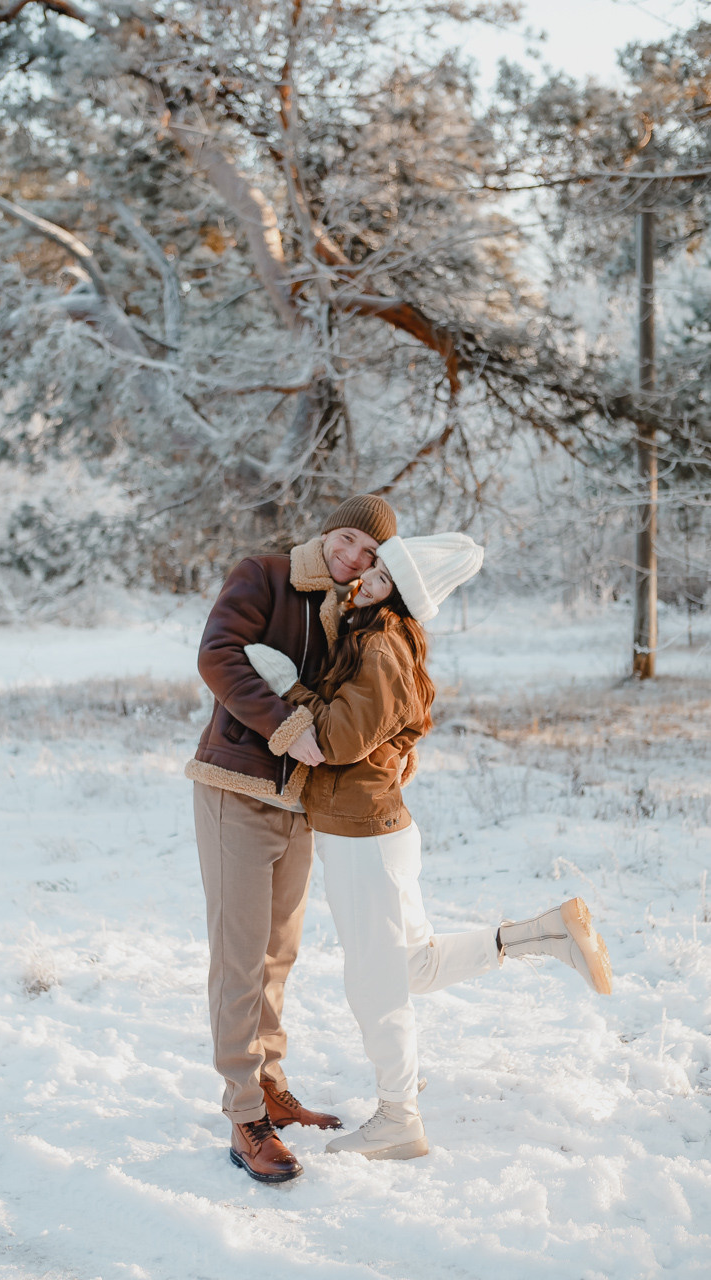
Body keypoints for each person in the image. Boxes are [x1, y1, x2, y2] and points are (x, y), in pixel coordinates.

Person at [245, 532, 613, 1163]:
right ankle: (544, 935)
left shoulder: (382, 646)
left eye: (382, 578)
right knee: (412, 966)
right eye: (372, 570)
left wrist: (291, 692)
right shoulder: (372, 637)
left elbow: (336, 740)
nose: (364, 580)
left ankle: (398, 1118)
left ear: (403, 598)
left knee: (375, 984)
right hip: (369, 832)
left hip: (364, 836)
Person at [186, 494, 399, 1184]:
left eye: (367, 555)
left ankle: (271, 1088)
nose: (351, 559)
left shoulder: (354, 612)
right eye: (345, 541)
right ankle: (242, 1114)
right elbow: (218, 656)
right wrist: (282, 726)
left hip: (302, 803)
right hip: (238, 788)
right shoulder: (265, 575)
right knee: (240, 956)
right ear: (326, 530)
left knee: (278, 954)